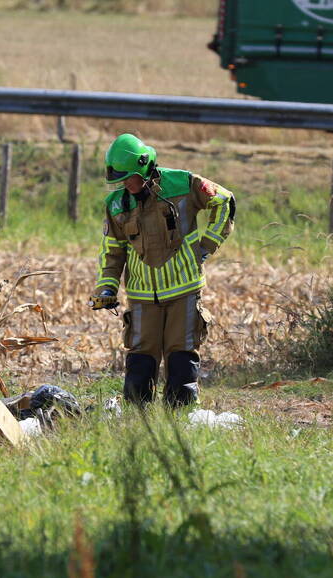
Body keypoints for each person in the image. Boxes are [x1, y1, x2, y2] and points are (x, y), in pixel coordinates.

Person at [89, 133, 236, 407]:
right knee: (141, 356)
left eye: (129, 177)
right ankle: (138, 417)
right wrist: (107, 287)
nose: (125, 184)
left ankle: (179, 418)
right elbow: (112, 250)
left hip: (185, 290)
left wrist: (206, 245)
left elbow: (224, 201)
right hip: (142, 296)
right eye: (120, 179)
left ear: (143, 166)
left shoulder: (182, 183)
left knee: (181, 353)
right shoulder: (117, 204)